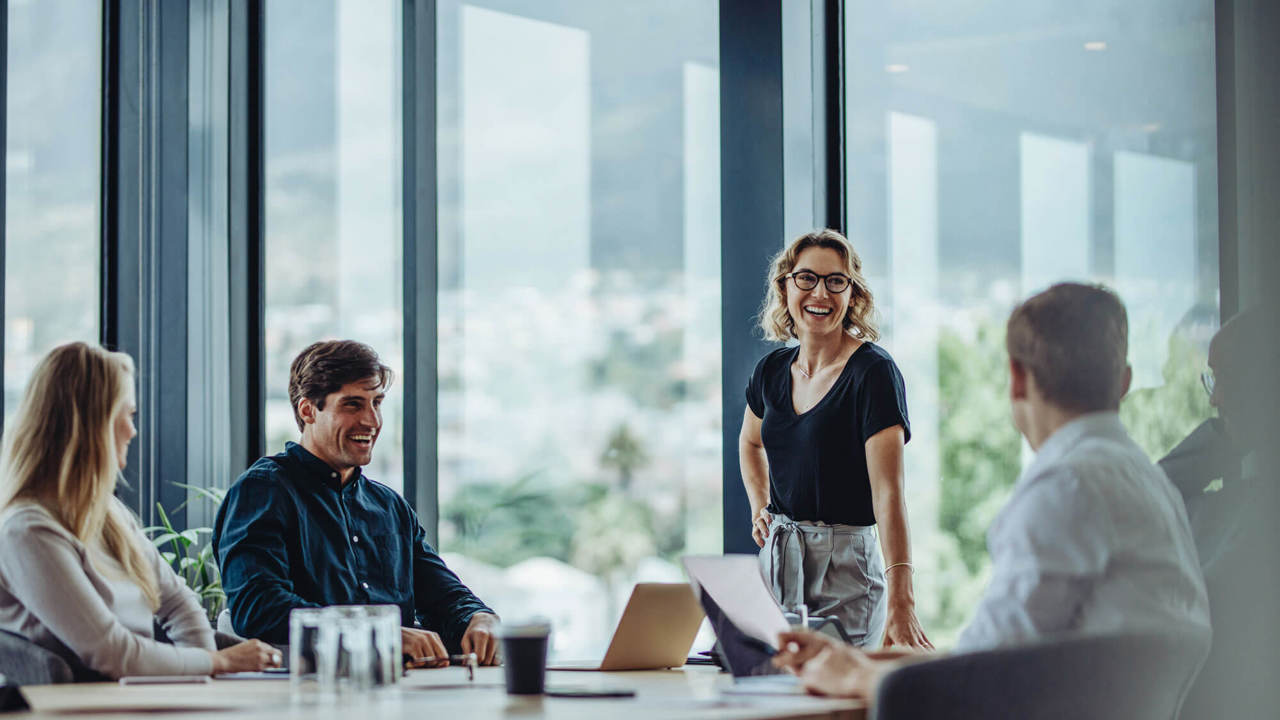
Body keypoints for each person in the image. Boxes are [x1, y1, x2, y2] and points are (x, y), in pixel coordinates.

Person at [772, 283, 1211, 699]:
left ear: (1016, 379)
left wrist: (852, 675)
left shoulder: (1065, 490)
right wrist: (860, 660)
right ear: (1124, 382)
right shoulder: (1149, 483)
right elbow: (1000, 654)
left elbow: (981, 682)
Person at [0, 342, 279, 679]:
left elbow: (178, 602)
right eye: (127, 415)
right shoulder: (27, 532)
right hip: (81, 708)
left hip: (135, 696)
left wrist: (202, 678)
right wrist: (218, 662)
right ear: (92, 424)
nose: (132, 431)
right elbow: (111, 652)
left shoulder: (106, 513)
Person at [214, 340, 500, 666]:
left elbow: (442, 594)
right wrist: (377, 633)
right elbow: (259, 609)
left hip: (400, 692)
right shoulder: (263, 491)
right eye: (353, 405)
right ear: (308, 410)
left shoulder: (389, 506)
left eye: (376, 403)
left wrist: (479, 616)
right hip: (303, 696)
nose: (372, 420)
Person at [740, 229, 929, 649]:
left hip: (846, 568)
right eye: (806, 278)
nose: (820, 293)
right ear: (785, 287)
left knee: (839, 706)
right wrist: (759, 506)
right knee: (774, 699)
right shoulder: (770, 371)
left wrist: (903, 599)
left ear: (852, 293)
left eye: (835, 281)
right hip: (777, 559)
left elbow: (889, 494)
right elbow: (750, 443)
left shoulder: (873, 373)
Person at [1165, 307, 1280, 719]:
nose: (1215, 398)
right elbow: (1154, 497)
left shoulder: (1255, 512)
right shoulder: (1236, 496)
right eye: (1213, 379)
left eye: (1228, 378)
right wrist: (1225, 438)